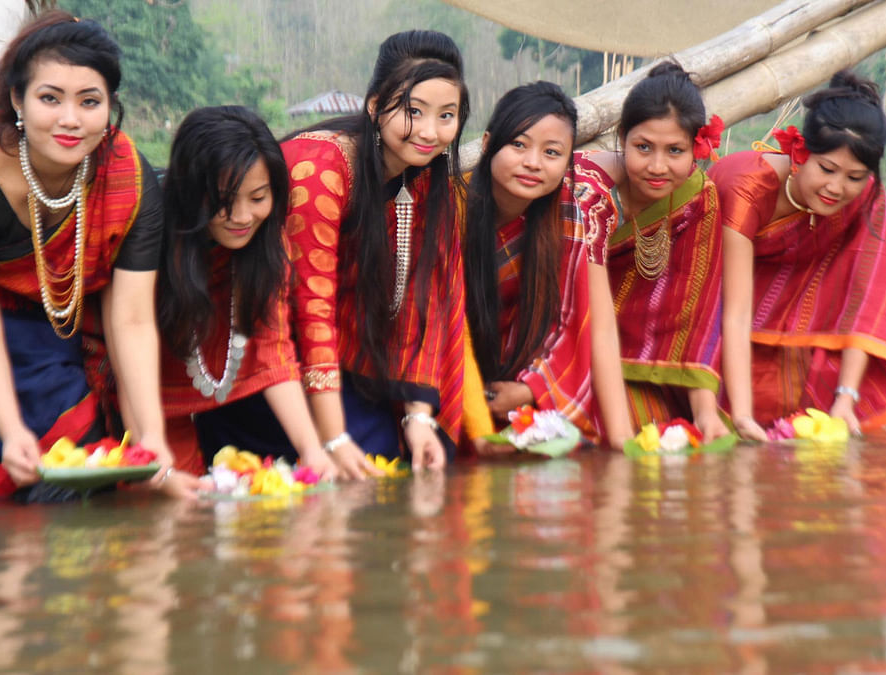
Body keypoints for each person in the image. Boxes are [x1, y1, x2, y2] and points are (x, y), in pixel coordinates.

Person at [0, 11, 199, 499]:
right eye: (50, 99)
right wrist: (12, 433)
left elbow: (133, 320)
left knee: (92, 452)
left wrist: (152, 440)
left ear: (110, 107)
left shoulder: (128, 179)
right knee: (12, 457)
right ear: (18, 100)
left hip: (66, 302)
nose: (70, 119)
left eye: (89, 102)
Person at [281, 30, 470, 471]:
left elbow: (425, 296)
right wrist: (333, 440)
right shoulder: (321, 168)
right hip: (274, 363)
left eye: (447, 115)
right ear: (374, 106)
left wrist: (416, 415)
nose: (429, 132)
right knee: (356, 466)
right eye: (413, 111)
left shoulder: (424, 177)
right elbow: (312, 308)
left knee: (421, 453)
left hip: (352, 364)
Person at [711, 70, 886, 439]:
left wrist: (845, 399)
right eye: (827, 169)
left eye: (855, 177)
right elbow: (736, 311)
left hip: (791, 334)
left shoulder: (866, 198)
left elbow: (867, 303)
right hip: (715, 317)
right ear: (799, 151)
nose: (837, 188)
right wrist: (741, 416)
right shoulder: (746, 188)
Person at [154, 106, 340, 480]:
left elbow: (274, 351)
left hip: (223, 404)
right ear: (189, 191)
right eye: (223, 202)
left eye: (258, 198)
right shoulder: (150, 236)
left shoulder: (269, 244)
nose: (241, 217)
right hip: (140, 404)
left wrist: (312, 450)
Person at [463, 81, 633, 449]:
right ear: (489, 142)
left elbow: (577, 323)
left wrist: (529, 390)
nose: (533, 163)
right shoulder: (453, 207)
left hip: (525, 383)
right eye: (519, 145)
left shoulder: (570, 215)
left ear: (568, 162)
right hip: (454, 375)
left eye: (552, 152)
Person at [575, 62, 730, 441]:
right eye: (643, 147)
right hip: (575, 355)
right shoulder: (584, 189)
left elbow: (696, 312)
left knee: (698, 441)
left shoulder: (698, 198)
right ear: (622, 137)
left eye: (674, 150)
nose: (657, 166)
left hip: (654, 370)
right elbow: (576, 309)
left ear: (695, 148)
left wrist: (706, 413)